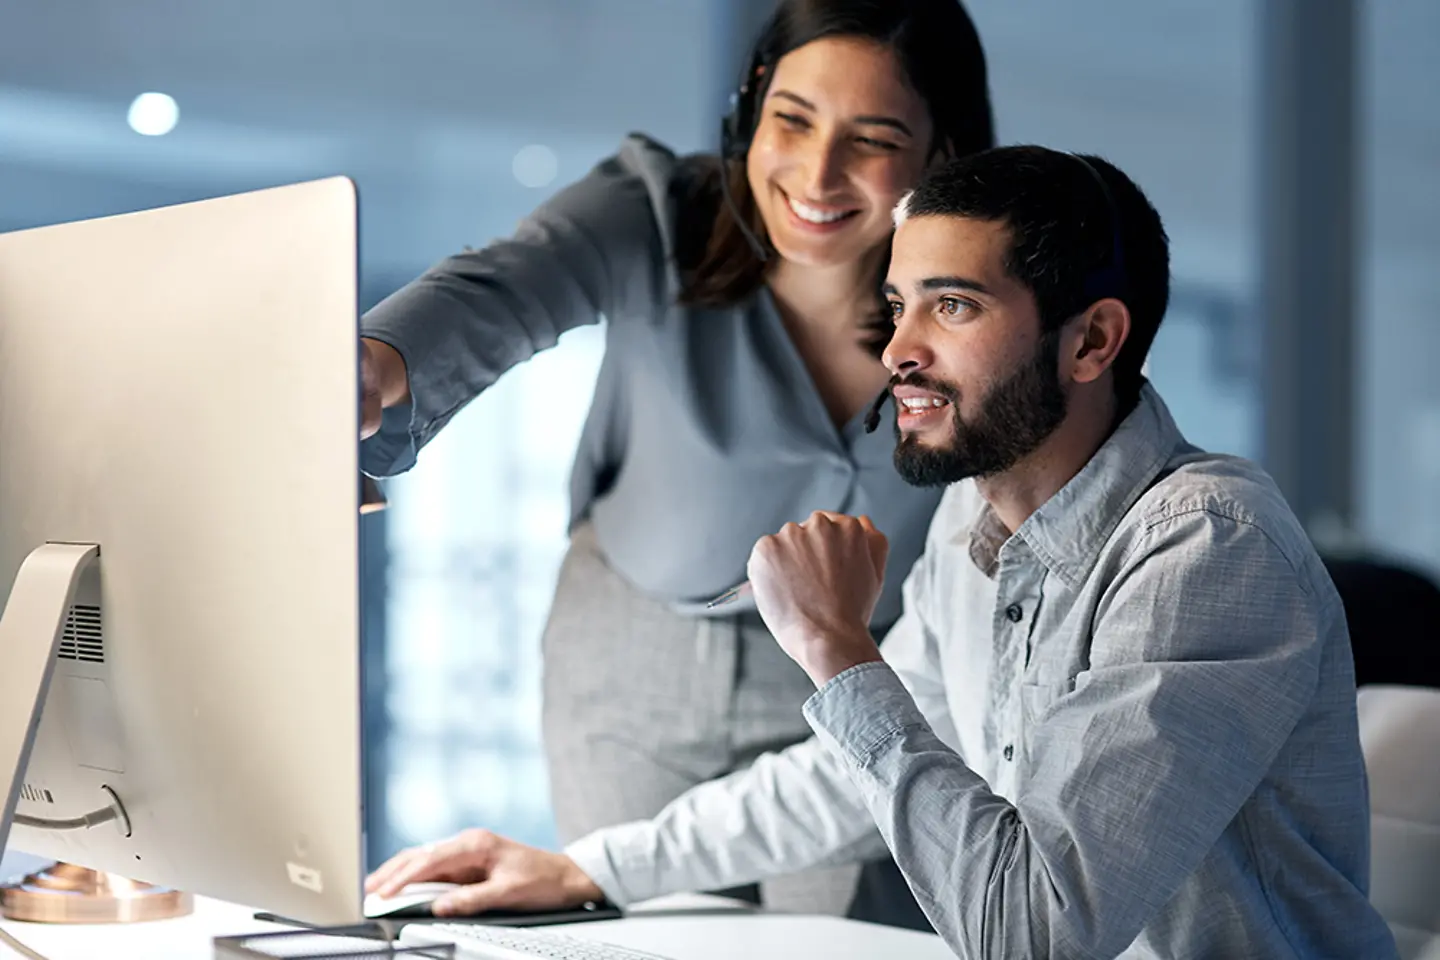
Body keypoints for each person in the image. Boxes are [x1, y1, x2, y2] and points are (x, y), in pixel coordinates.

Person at [366, 145, 1401, 958]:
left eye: (953, 305)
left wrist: (835, 649)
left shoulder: (1203, 552)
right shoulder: (974, 522)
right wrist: (590, 868)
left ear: (1091, 343)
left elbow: (1033, 933)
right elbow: (843, 776)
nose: (898, 350)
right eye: (899, 305)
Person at [359, 0, 994, 922]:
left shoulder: (971, 302)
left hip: (853, 663)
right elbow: (504, 286)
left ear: (942, 152)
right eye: (792, 120)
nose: (818, 172)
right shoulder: (656, 211)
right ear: (749, 112)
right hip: (634, 656)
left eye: (873, 137)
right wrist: (378, 360)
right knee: (644, 929)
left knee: (844, 938)